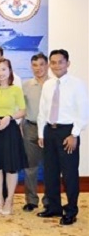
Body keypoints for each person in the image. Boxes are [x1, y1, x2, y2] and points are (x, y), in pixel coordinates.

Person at [36, 49, 88, 226]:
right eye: (54, 62)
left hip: (68, 133)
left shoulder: (77, 84)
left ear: (68, 64)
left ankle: (71, 210)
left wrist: (74, 134)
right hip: (49, 131)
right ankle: (54, 207)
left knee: (69, 175)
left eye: (60, 62)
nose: (57, 65)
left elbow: (83, 112)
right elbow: (42, 110)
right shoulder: (48, 85)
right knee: (50, 173)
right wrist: (41, 133)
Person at [0, 58, 27, 215]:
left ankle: (9, 199)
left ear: (10, 71)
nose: (1, 73)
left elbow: (23, 110)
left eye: (4, 69)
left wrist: (10, 116)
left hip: (10, 130)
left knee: (11, 167)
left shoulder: (16, 90)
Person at [21, 53, 49, 212]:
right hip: (30, 127)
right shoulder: (26, 85)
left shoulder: (54, 84)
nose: (38, 68)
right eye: (35, 65)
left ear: (47, 65)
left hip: (49, 129)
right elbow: (21, 108)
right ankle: (31, 200)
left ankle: (49, 201)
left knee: (49, 167)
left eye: (41, 64)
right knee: (30, 166)